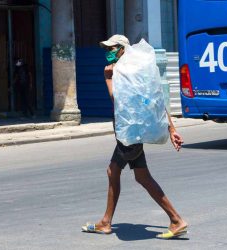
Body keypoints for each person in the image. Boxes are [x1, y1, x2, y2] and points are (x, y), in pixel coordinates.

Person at [81, 35, 188, 239]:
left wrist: (108, 78)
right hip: (133, 132)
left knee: (114, 171)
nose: (108, 52)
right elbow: (155, 99)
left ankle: (107, 222)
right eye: (106, 48)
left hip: (129, 134)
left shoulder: (122, 71)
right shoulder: (137, 71)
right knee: (141, 176)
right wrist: (172, 129)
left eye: (111, 48)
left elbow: (117, 99)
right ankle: (175, 220)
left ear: (122, 49)